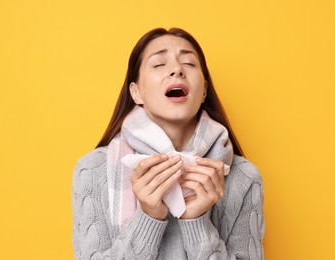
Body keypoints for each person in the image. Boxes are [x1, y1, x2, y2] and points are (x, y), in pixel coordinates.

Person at [72, 27, 264, 260]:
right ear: (136, 92)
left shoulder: (243, 177)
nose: (176, 70)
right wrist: (148, 218)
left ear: (203, 90)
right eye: (159, 64)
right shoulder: (92, 171)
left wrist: (197, 223)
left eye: (189, 64)